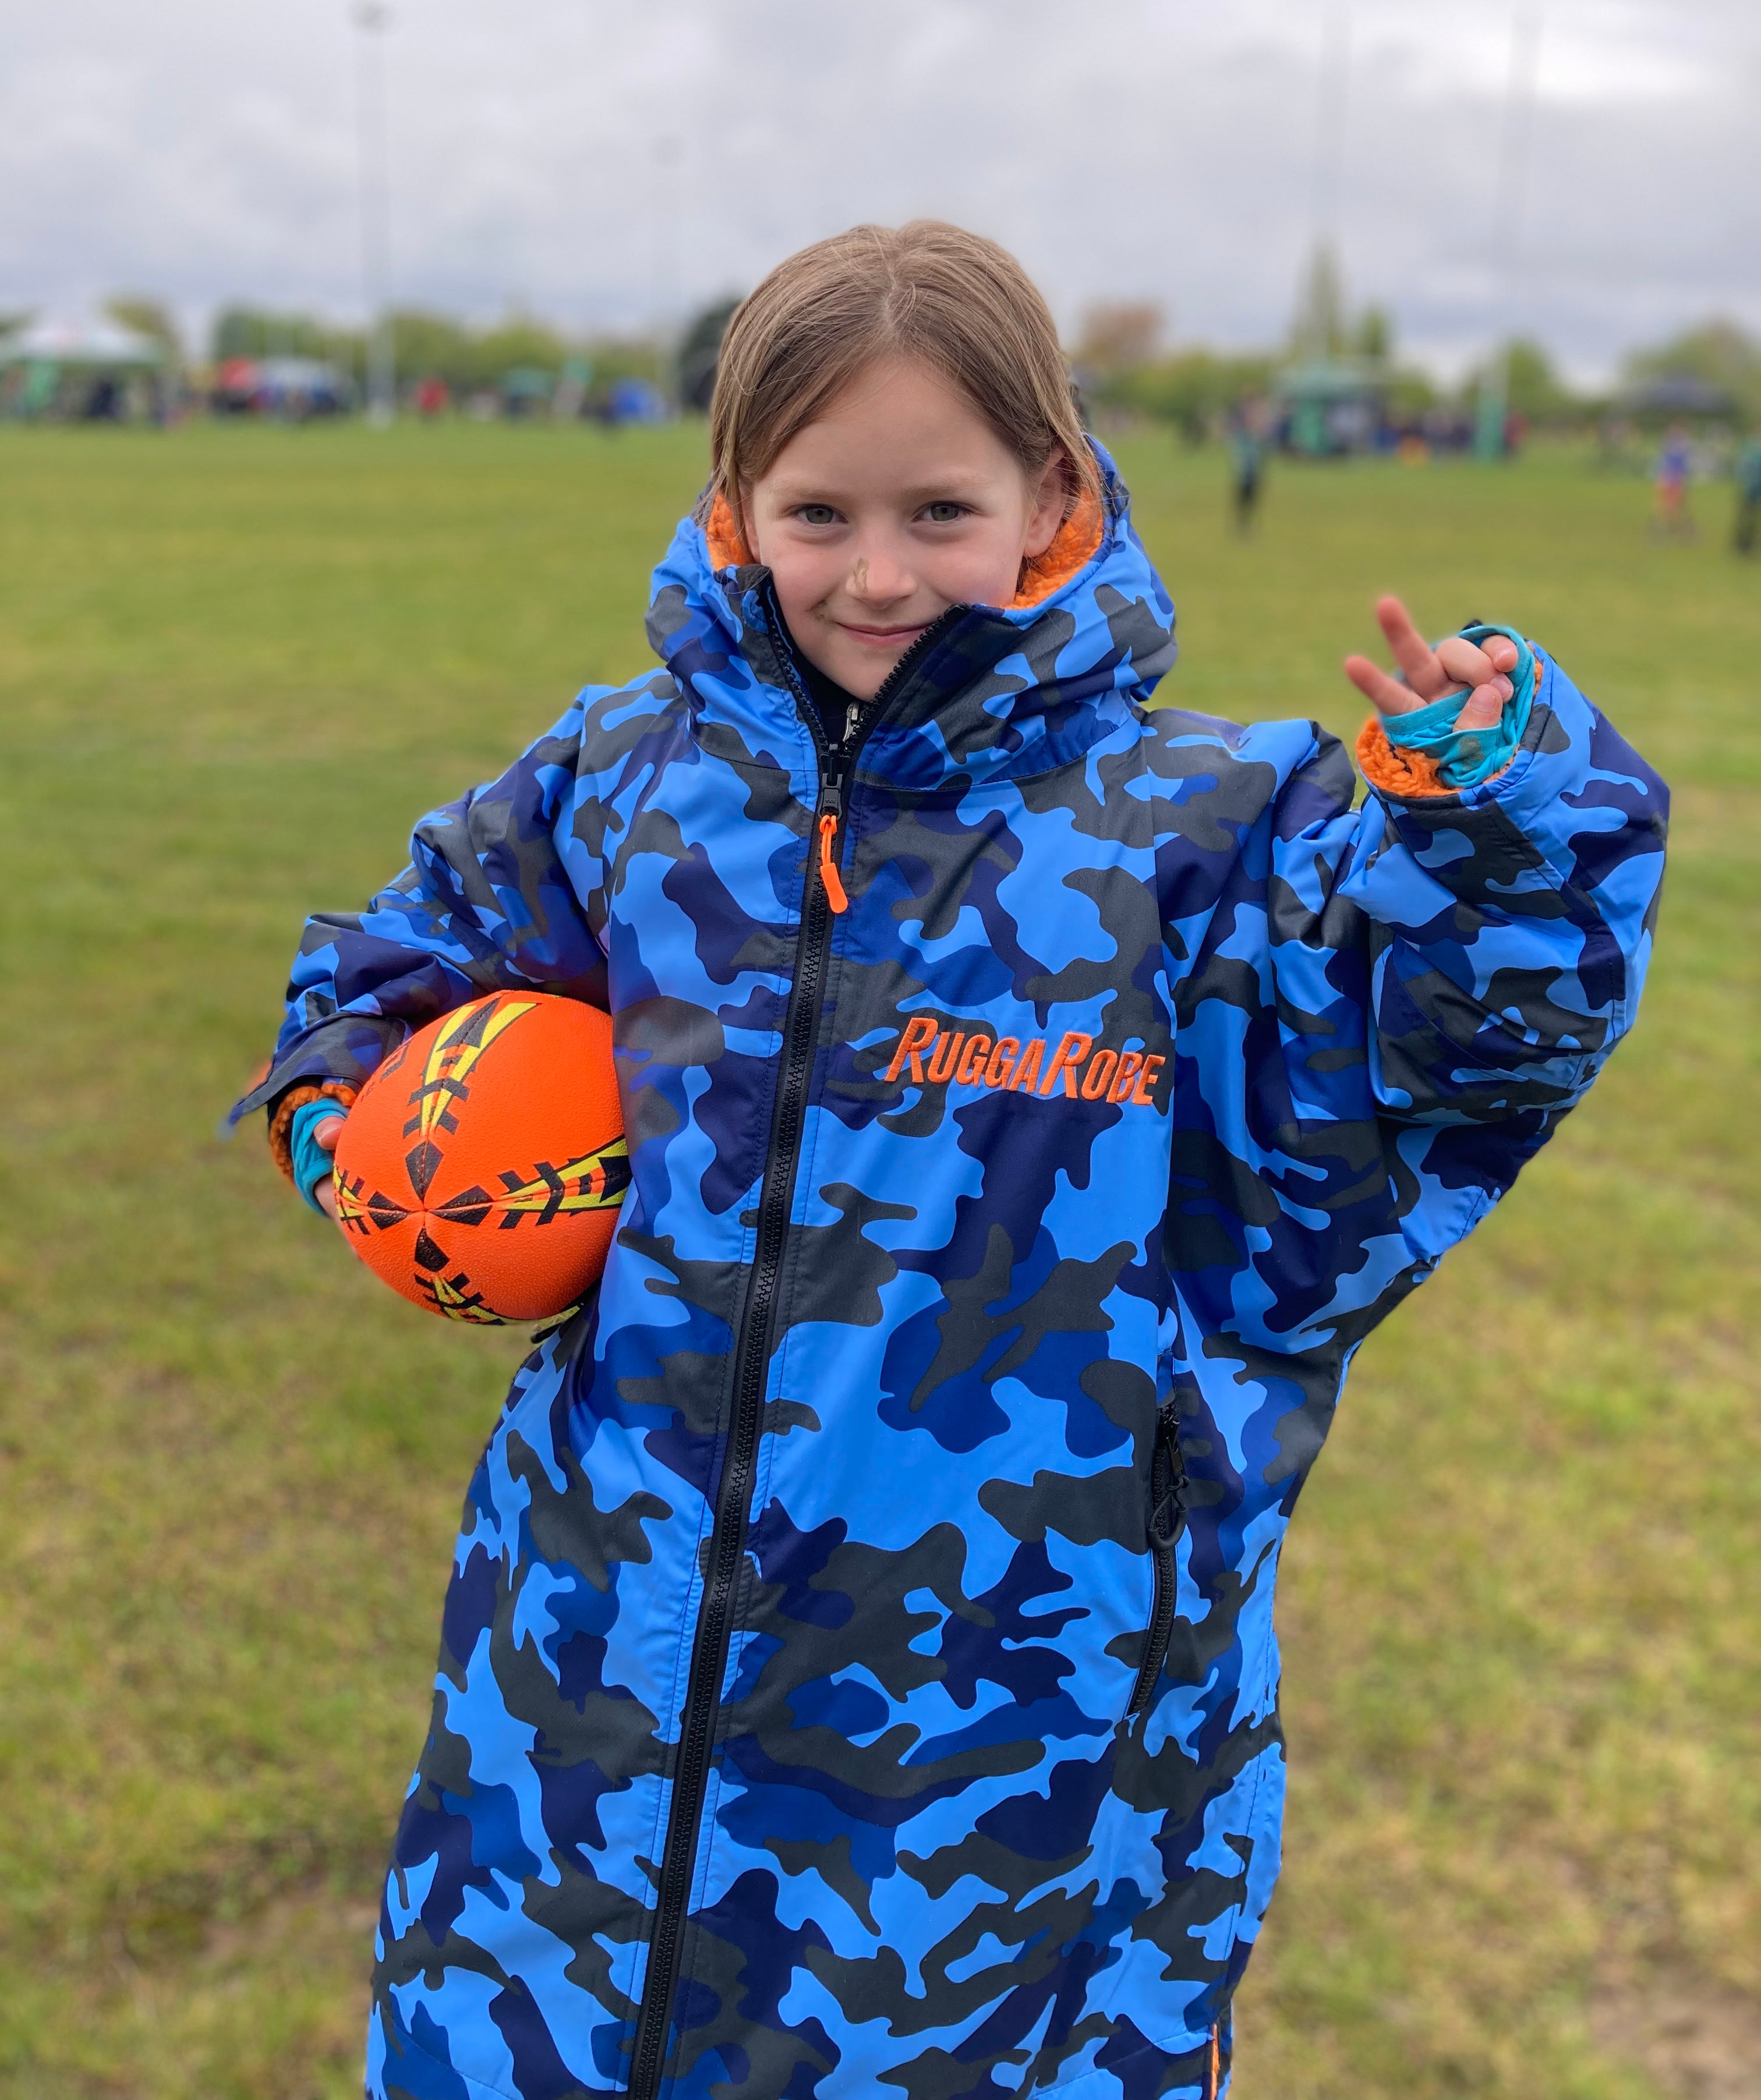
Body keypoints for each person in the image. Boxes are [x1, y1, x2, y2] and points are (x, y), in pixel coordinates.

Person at [234, 222, 1667, 2100]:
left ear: (1051, 497)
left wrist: (1508, 815)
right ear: (735, 506)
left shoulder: (1204, 839)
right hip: (574, 1750)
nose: (879, 573)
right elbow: (386, 972)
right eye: (819, 514)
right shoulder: (623, 784)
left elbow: (1478, 1040)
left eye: (939, 511)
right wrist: (369, 1153)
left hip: (1003, 1809)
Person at [1224, 398, 1268, 537]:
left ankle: (1247, 526)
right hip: (1244, 476)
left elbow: (1259, 458)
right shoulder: (1242, 439)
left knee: (1252, 503)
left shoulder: (1255, 439)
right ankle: (1242, 526)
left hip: (1253, 476)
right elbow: (1238, 457)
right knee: (1242, 503)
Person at [1650, 423, 1696, 541]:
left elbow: (1684, 465)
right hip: (1671, 478)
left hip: (1675, 479)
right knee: (1670, 504)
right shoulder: (1672, 446)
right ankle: (1668, 526)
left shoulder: (1681, 447)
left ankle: (1674, 526)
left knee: (1677, 504)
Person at [1731, 432, 1761, 557]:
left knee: (1749, 520)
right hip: (1750, 492)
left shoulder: (1751, 453)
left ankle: (1745, 544)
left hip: (1752, 492)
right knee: (1747, 520)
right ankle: (1743, 544)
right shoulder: (1752, 453)